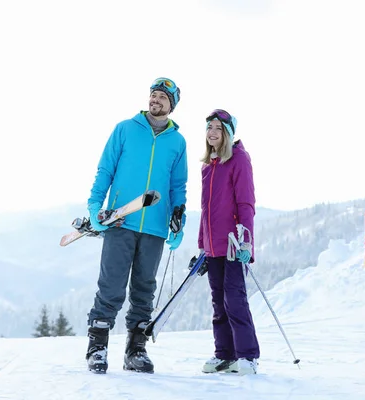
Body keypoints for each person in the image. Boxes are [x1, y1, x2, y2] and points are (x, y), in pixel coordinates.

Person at [85, 77, 188, 374]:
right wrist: (95, 206)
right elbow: (105, 169)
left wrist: (179, 216)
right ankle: (97, 348)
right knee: (112, 285)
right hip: (121, 220)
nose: (155, 100)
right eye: (153, 95)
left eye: (162, 97)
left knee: (144, 289)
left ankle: (135, 350)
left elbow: (178, 185)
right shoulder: (125, 129)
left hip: (155, 226)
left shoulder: (178, 142)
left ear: (171, 106)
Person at [197, 109, 260, 375]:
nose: (212, 132)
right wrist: (202, 246)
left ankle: (247, 355)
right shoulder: (207, 166)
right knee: (218, 301)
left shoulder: (239, 159)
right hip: (213, 246)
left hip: (234, 244)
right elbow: (205, 210)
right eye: (209, 127)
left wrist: (246, 242)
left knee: (235, 299)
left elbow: (246, 202)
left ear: (228, 133)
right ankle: (225, 354)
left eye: (218, 128)